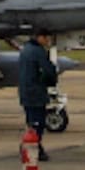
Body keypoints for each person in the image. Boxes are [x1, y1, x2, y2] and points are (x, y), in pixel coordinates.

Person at [18, 31, 58, 160]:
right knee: (38, 122)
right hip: (35, 92)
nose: (48, 40)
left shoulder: (26, 50)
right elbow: (48, 71)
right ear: (40, 37)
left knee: (31, 121)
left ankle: (31, 146)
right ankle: (33, 148)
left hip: (26, 91)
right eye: (46, 37)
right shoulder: (37, 52)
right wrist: (51, 81)